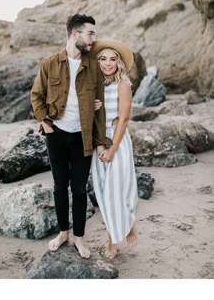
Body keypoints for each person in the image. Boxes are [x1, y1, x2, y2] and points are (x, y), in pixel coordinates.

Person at [31, 14, 111, 259]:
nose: (93, 39)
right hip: (56, 135)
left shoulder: (93, 66)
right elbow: (37, 95)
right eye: (90, 33)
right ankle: (63, 232)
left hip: (82, 137)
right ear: (75, 34)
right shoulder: (50, 63)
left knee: (78, 189)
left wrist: (100, 142)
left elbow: (101, 109)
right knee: (59, 187)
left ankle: (79, 237)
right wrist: (45, 123)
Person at [91, 39, 138, 260]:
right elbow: (91, 119)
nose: (108, 63)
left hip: (117, 142)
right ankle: (125, 224)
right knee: (102, 190)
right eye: (103, 59)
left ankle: (113, 240)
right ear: (97, 61)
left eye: (112, 59)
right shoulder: (94, 85)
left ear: (118, 62)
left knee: (115, 190)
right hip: (99, 140)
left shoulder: (123, 85)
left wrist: (111, 149)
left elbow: (124, 119)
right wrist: (100, 145)